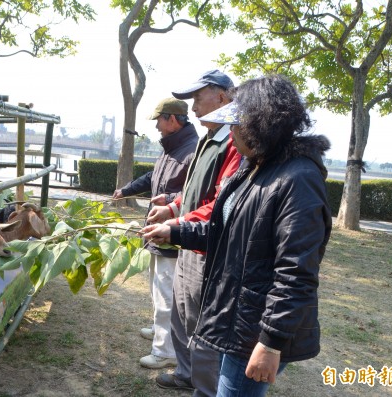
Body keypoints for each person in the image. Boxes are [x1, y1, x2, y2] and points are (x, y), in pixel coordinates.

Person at [142, 74, 332, 397]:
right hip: (236, 319)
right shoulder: (254, 167)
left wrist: (271, 343)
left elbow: (296, 273)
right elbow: (223, 230)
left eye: (236, 124)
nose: (231, 132)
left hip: (255, 331)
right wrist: (175, 232)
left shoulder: (298, 179)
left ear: (260, 125)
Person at [146, 69, 242, 395]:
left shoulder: (234, 142)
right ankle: (186, 374)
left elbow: (220, 204)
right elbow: (194, 193)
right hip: (189, 240)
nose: (195, 107)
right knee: (182, 313)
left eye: (198, 98)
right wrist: (173, 206)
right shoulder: (208, 140)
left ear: (222, 97)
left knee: (202, 323)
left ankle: (205, 386)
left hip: (206, 245)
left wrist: (177, 224)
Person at [113, 97, 199, 369]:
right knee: (157, 289)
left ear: (172, 120)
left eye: (159, 121)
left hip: (174, 234)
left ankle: (166, 351)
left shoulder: (192, 151)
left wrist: (170, 202)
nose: (157, 127)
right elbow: (153, 178)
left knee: (167, 295)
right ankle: (160, 329)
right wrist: (125, 191)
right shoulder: (172, 148)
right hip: (158, 232)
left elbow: (197, 195)